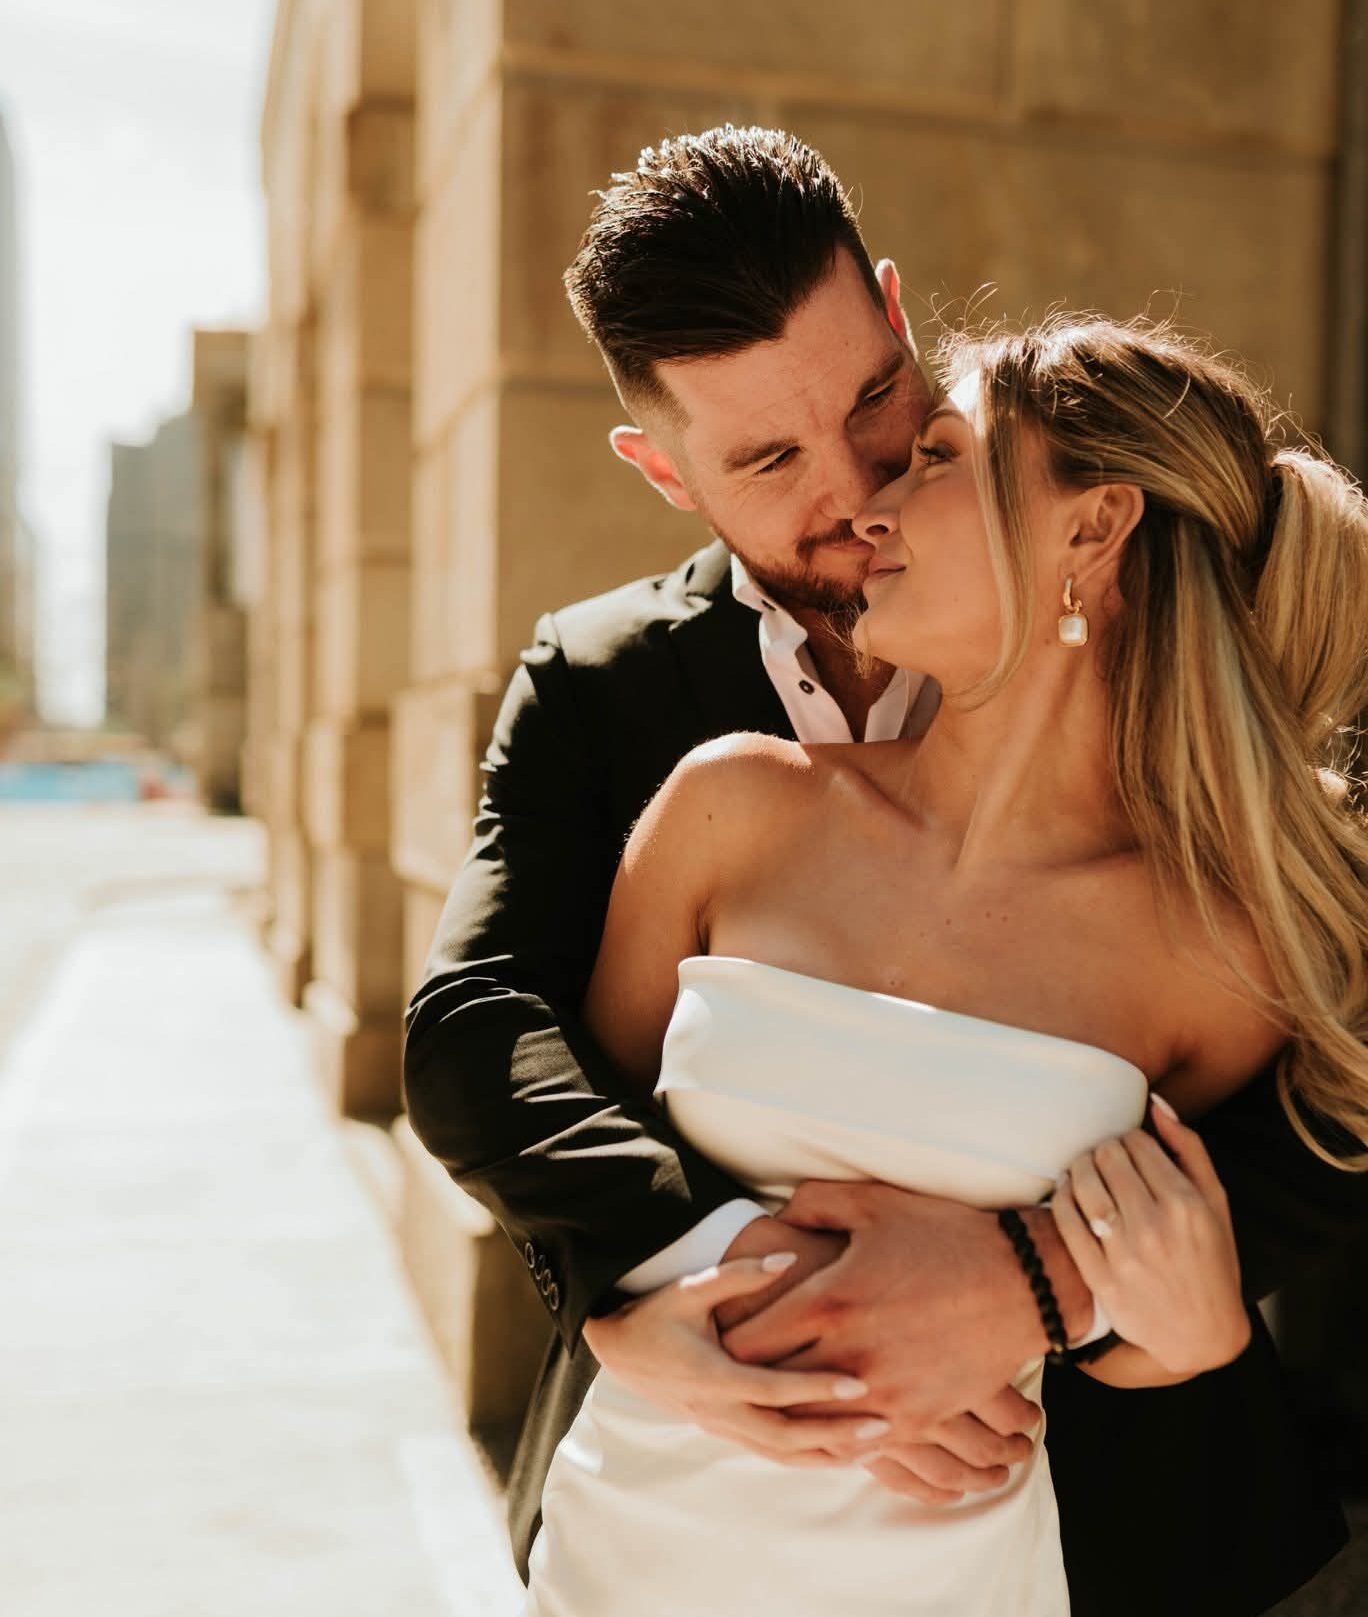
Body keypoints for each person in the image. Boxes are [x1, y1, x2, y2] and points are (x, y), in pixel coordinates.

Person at [403, 128, 1364, 1616]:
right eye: (769, 459)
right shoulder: (638, 719)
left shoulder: (1200, 880)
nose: (861, 492)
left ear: (899, 318)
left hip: (1059, 1534)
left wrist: (1040, 1285)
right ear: (665, 470)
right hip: (650, 1523)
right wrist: (671, 1291)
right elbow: (485, 1036)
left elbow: (1318, 1120)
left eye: (877, 408)